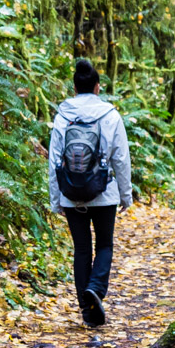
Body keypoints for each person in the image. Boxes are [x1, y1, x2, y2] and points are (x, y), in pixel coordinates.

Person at [47, 57, 133, 328]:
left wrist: (55, 199)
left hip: (71, 193)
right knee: (105, 244)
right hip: (104, 193)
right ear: (98, 87)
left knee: (82, 249)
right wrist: (126, 194)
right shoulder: (110, 115)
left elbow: (54, 161)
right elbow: (121, 158)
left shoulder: (63, 116)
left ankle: (87, 309)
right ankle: (95, 288)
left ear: (74, 89)